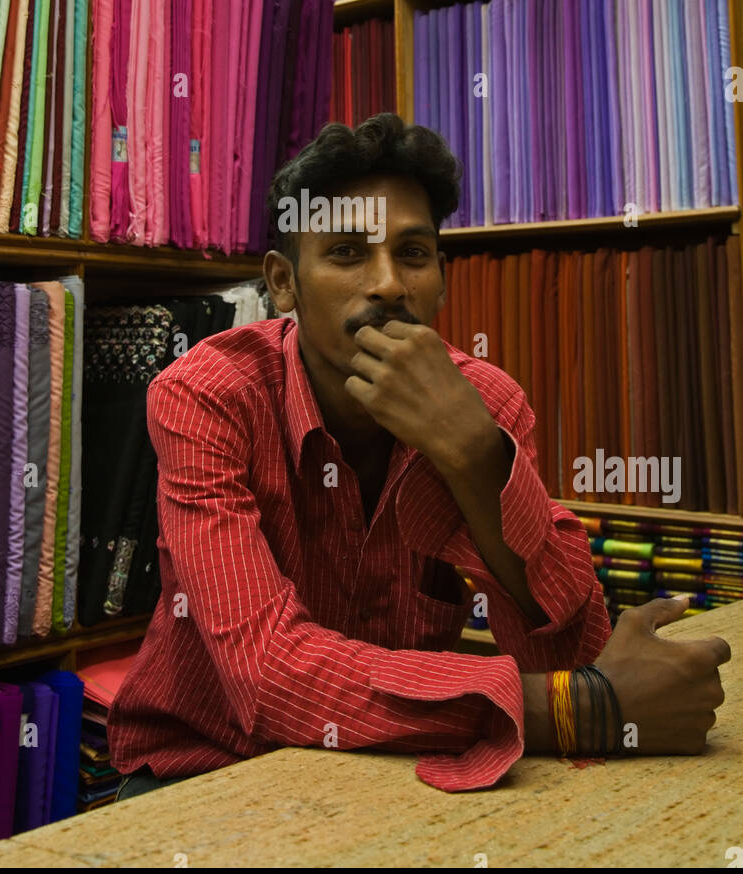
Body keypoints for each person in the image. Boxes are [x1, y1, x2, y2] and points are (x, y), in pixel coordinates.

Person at [108, 114, 729, 800]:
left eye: (412, 253)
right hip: (204, 768)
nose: (387, 286)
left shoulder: (486, 402)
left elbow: (571, 651)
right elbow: (267, 675)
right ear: (283, 285)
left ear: (440, 276)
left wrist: (473, 456)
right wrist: (579, 709)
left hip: (387, 761)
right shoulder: (206, 397)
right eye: (347, 253)